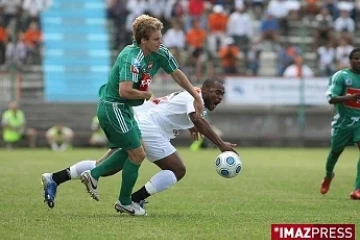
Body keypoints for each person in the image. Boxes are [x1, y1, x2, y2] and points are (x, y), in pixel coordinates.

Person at [47, 14, 203, 216]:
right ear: (143, 40)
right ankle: (121, 198)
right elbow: (124, 91)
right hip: (114, 108)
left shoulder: (160, 52)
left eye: (160, 37)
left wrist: (194, 96)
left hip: (126, 110)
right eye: (156, 39)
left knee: (122, 158)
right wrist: (145, 94)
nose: (161, 42)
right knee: (136, 154)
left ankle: (56, 178)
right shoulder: (131, 57)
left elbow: (177, 73)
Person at [41, 77, 237, 215]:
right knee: (177, 169)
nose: (220, 97)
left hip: (143, 119)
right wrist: (221, 144)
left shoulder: (194, 95)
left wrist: (193, 125)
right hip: (150, 127)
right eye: (217, 92)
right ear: (205, 90)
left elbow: (192, 117)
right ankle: (133, 200)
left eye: (222, 94)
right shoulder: (193, 97)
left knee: (106, 166)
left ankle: (54, 178)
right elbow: (197, 118)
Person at [320, 47, 360, 199]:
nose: (359, 61)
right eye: (356, 58)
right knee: (335, 153)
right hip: (343, 122)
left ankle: (357, 189)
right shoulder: (341, 76)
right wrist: (351, 97)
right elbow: (331, 98)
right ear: (350, 60)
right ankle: (328, 176)